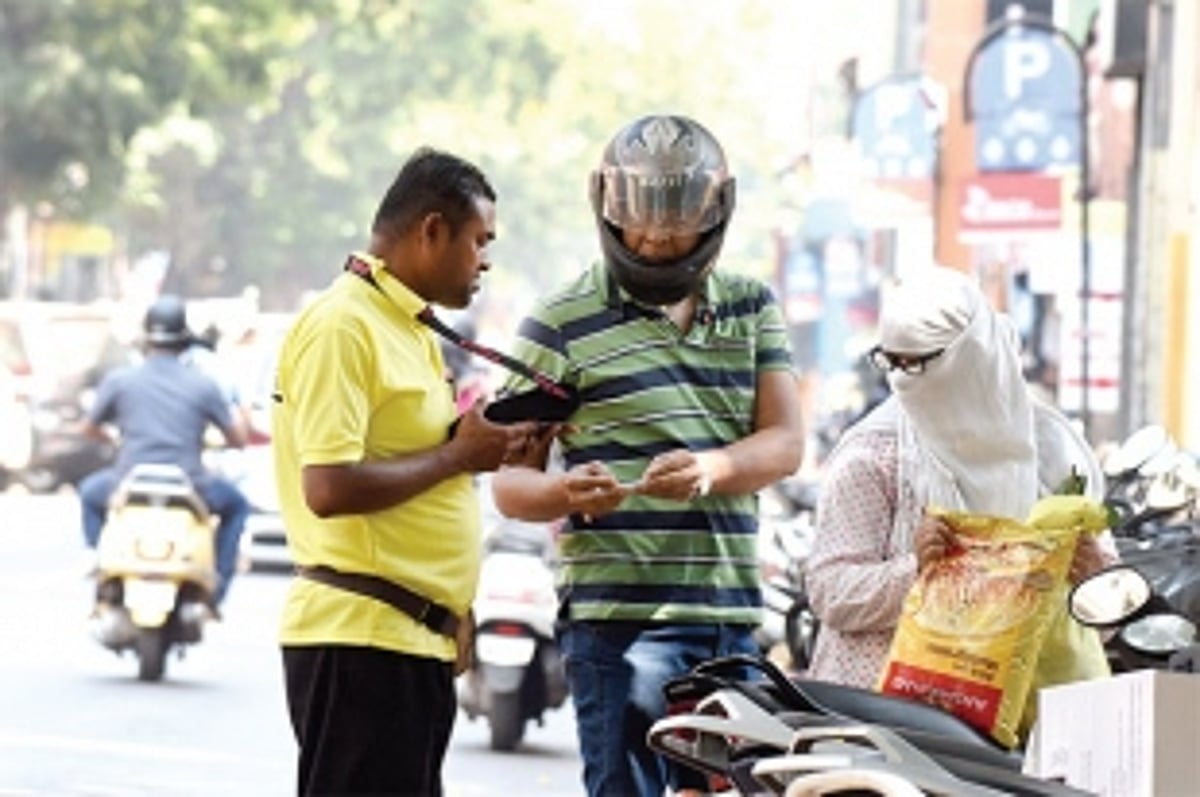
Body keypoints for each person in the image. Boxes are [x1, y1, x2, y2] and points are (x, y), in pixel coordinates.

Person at [490, 114, 806, 797]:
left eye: (678, 219)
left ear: (715, 213)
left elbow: (785, 442)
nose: (659, 236)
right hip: (616, 626)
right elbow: (512, 484)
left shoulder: (752, 307)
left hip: (727, 615)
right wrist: (568, 491)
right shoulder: (559, 321)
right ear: (608, 207)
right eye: (642, 219)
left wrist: (711, 469)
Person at [271, 147, 546, 796]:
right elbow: (329, 486)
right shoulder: (343, 325)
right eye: (480, 240)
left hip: (409, 642)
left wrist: (485, 448)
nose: (486, 260)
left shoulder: (412, 329)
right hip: (359, 642)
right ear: (431, 230)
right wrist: (458, 454)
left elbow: (414, 466)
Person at [804, 265, 1116, 698]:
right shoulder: (874, 455)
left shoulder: (1052, 449)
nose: (902, 379)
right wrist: (917, 571)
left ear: (974, 351)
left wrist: (1093, 574)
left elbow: (1107, 603)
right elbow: (830, 591)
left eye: (918, 363)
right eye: (892, 362)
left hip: (1016, 714)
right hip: (886, 720)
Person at [78, 294, 250, 607]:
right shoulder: (204, 384)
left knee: (90, 493)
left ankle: (97, 558)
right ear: (185, 340)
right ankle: (218, 589)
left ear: (145, 339)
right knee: (237, 506)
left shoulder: (121, 380)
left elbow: (88, 427)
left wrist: (112, 438)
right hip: (192, 484)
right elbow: (238, 438)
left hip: (127, 480)